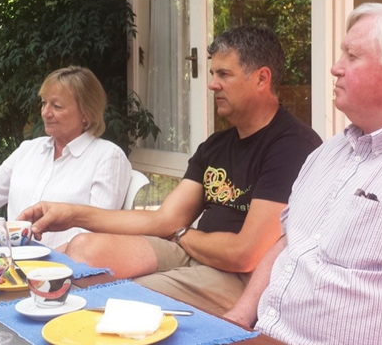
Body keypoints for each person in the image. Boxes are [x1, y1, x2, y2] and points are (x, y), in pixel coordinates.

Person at [19, 25, 322, 314]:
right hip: (193, 252)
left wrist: (182, 234)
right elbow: (165, 219)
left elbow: (245, 254)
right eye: (213, 73)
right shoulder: (217, 145)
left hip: (238, 277)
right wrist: (71, 213)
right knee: (83, 249)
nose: (212, 83)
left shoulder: (291, 145)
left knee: (122, 297)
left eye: (224, 74)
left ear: (261, 78)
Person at [224, 3, 382, 345]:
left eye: (352, 56)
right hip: (263, 334)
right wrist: (238, 318)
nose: (335, 68)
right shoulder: (328, 153)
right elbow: (289, 242)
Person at [0, 66, 132, 249]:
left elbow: (97, 232)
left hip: (65, 270)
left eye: (56, 106)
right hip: (9, 264)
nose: (45, 113)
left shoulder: (107, 157)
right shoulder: (28, 149)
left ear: (86, 114)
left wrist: (51, 261)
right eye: (44, 103)